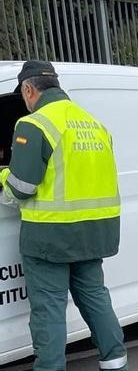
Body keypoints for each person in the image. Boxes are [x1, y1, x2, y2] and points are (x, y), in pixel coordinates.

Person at [0, 61, 127, 371]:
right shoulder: (94, 125)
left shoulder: (34, 124)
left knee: (49, 310)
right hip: (95, 232)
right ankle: (115, 363)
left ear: (29, 89)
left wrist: (4, 175)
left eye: (23, 95)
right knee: (96, 299)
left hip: (50, 238)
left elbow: (21, 188)